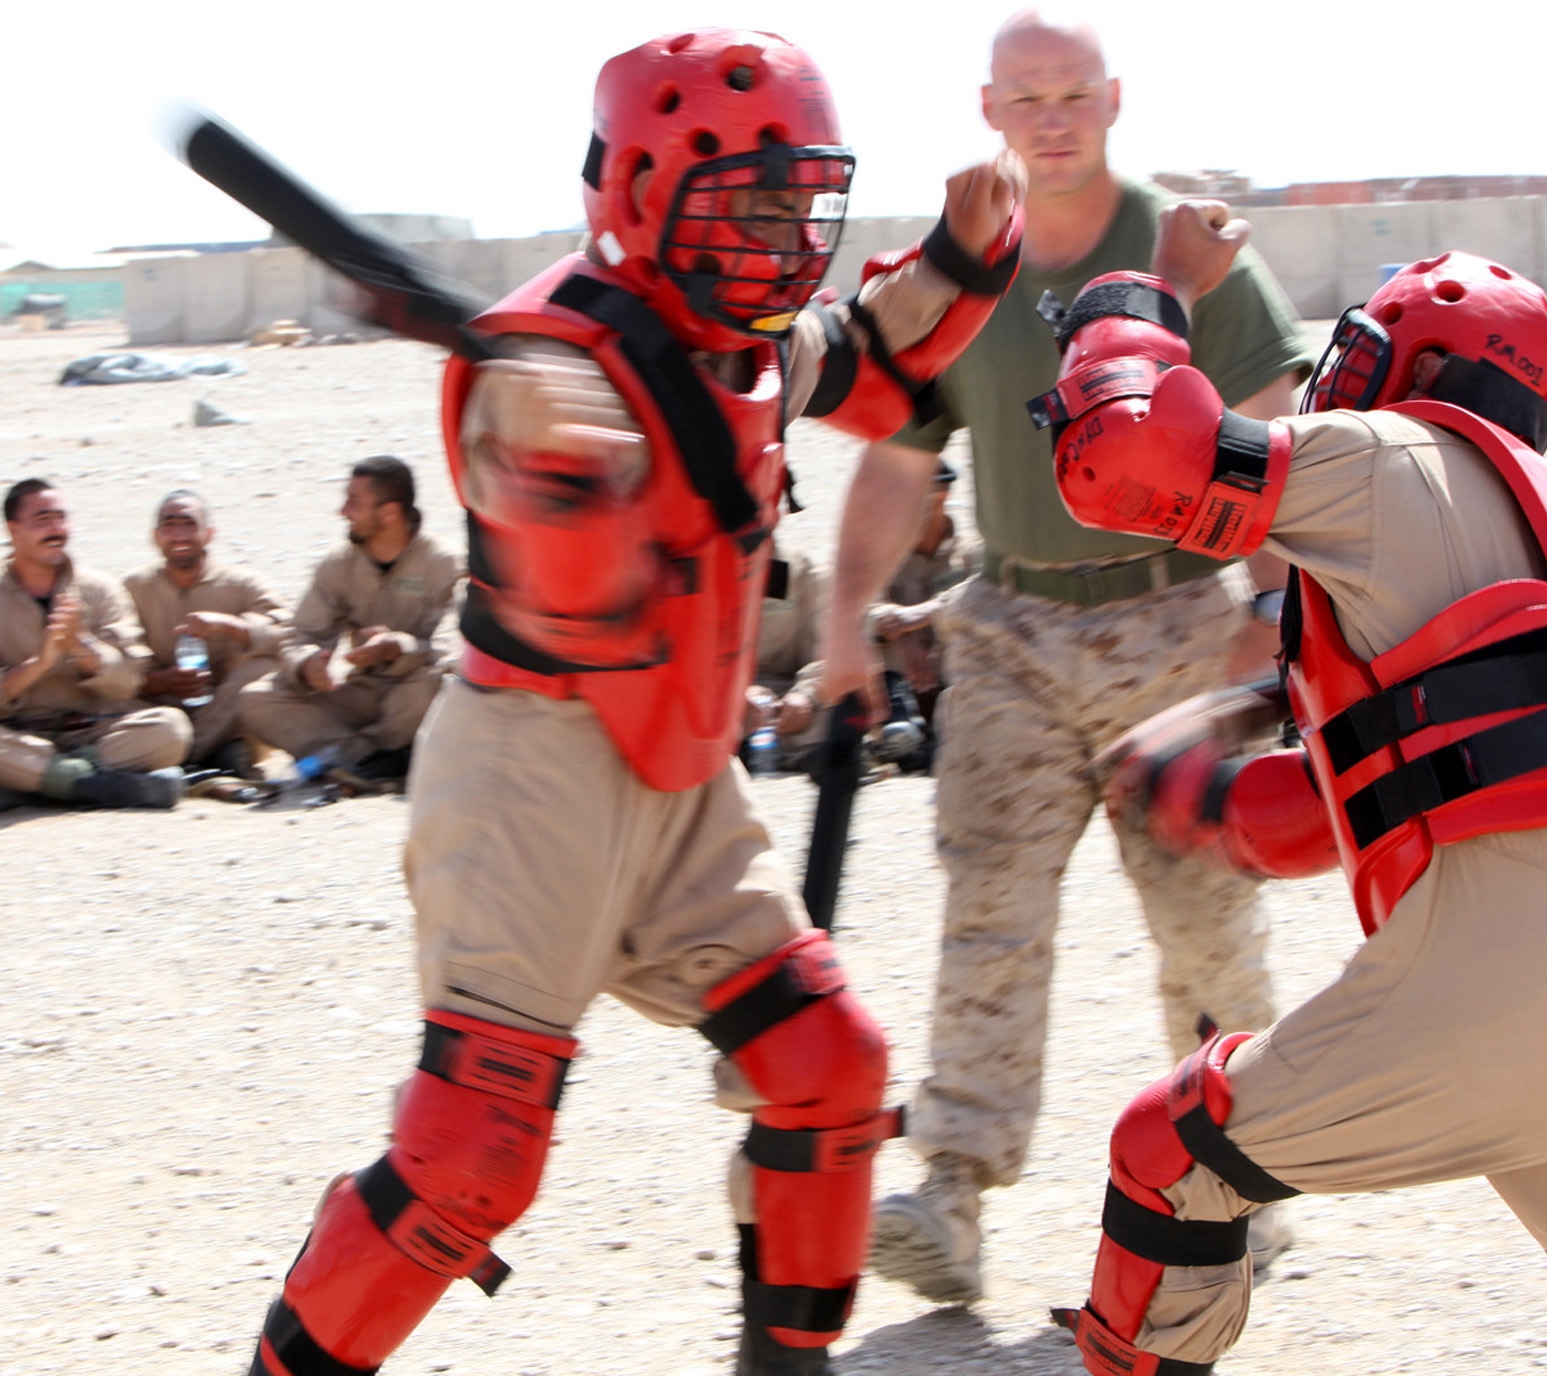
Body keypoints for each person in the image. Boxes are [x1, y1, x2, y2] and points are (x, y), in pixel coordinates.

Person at [241, 28, 1024, 1376]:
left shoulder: (748, 341)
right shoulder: (544, 361)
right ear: (649, 193)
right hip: (531, 777)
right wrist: (567, 474)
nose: (785, 239)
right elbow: (573, 590)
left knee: (828, 1071)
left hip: (680, 786)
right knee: (470, 1163)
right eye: (750, 205)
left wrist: (962, 256)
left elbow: (881, 356)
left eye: (800, 204)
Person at [1038, 218, 1547, 1374]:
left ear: (1432, 367)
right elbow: (1433, 779)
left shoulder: (1395, 455)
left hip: (1523, 997)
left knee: (1173, 1151)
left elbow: (1123, 457)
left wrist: (1129, 299)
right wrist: (1211, 800)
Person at [817, 9, 1310, 1302]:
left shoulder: (1190, 248)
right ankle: (951, 1196)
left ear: (1113, 98)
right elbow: (896, 455)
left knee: (1206, 924)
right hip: (1013, 634)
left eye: (1072, 92)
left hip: (1179, 625)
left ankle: (1238, 1179)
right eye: (1025, 96)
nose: (1050, 116)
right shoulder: (963, 262)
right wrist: (840, 621)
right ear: (989, 108)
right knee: (988, 913)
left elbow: (1276, 433)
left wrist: (1276, 610)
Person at [238, 456, 460, 788]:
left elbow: (451, 652)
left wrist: (399, 647)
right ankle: (377, 758)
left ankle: (349, 757)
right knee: (256, 698)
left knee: (436, 687)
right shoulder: (340, 563)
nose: (343, 511)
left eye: (354, 503)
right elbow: (299, 634)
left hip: (413, 689)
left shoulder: (444, 563)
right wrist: (307, 662)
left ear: (389, 512)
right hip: (362, 693)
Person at [0, 478, 188, 808]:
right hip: (20, 736)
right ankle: (91, 784)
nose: (57, 529)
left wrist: (81, 646)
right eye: (43, 520)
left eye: (61, 517)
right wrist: (40, 663)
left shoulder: (100, 589)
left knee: (171, 729)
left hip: (94, 735)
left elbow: (130, 681)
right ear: (13, 530)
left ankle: (43, 784)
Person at [125, 488, 286, 775]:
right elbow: (115, 654)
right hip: (158, 709)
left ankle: (187, 756)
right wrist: (161, 682)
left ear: (209, 533)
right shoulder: (133, 588)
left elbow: (288, 633)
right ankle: (209, 755)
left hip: (223, 707)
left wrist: (230, 625)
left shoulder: (242, 584)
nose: (180, 535)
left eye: (189, 524)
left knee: (266, 667)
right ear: (156, 537)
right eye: (169, 525)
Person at [866, 458, 979, 765]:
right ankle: (897, 734)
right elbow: (860, 610)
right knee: (862, 644)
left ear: (941, 495)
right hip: (901, 678)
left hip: (953, 674)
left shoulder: (970, 555)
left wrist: (924, 616)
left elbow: (984, 601)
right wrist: (901, 633)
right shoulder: (883, 554)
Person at [746, 541, 829, 772]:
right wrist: (738, 691)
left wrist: (805, 697)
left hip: (784, 695)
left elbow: (825, 650)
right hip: (722, 698)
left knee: (843, 709)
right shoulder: (701, 565)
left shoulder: (797, 571)